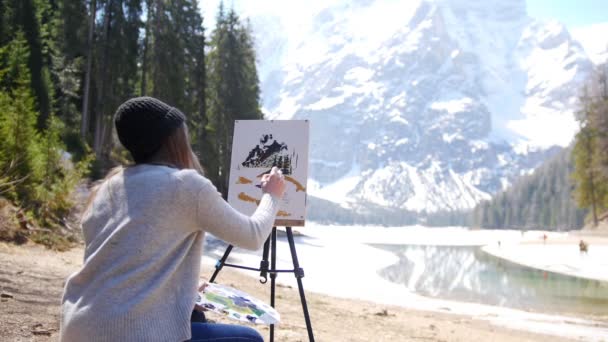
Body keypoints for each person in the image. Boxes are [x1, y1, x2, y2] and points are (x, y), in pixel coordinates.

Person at [60, 97, 286, 342]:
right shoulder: (186, 185)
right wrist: (272, 195)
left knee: (194, 317)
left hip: (79, 326)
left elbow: (125, 262)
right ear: (173, 140)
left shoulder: (108, 187)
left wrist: (184, 290)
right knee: (250, 340)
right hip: (127, 333)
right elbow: (252, 236)